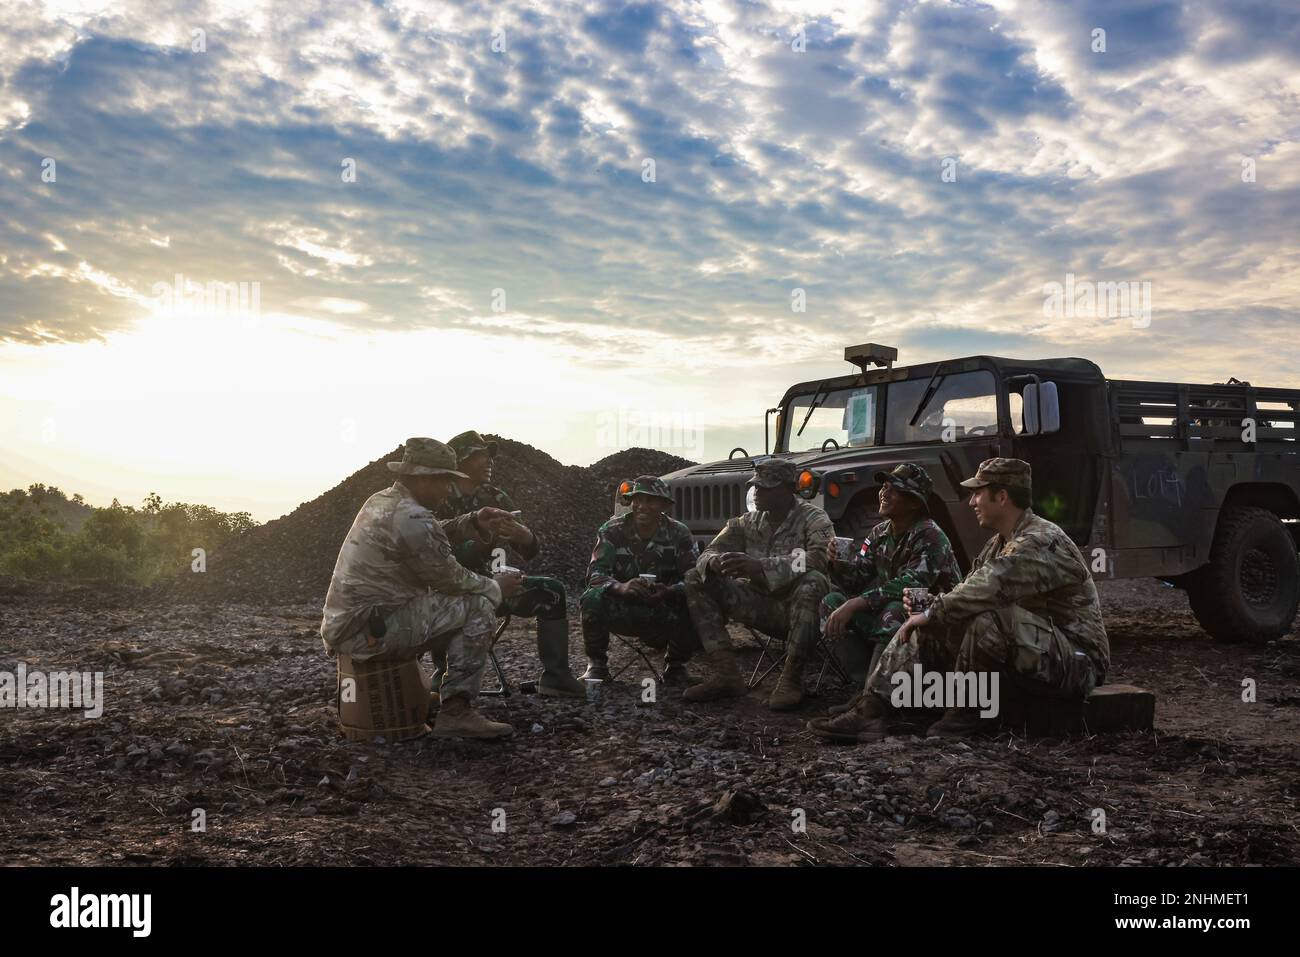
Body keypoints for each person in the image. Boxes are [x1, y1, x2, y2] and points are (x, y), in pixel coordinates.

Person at [808, 457, 1108, 741]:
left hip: (1077, 662)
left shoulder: (1039, 541)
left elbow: (988, 587)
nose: (972, 502)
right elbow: (968, 589)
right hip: (1033, 650)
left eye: (978, 494)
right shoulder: (998, 543)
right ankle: (871, 708)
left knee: (988, 620)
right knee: (932, 622)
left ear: (1002, 496)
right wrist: (930, 611)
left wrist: (933, 610)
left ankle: (968, 713)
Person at [320, 437, 522, 740]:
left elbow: (430, 531)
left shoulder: (382, 501)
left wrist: (472, 520)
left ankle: (420, 695)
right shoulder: (412, 517)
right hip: (368, 634)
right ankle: (456, 712)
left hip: (351, 626)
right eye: (445, 481)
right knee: (477, 606)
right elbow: (451, 579)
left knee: (454, 602)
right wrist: (496, 587)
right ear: (425, 479)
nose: (449, 490)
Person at [431, 430, 586, 698]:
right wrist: (481, 541)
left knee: (551, 591)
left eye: (489, 455)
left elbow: (529, 550)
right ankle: (443, 674)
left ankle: (556, 676)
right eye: (480, 456)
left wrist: (525, 537)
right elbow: (433, 549)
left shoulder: (496, 497)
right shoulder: (439, 497)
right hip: (456, 587)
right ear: (461, 461)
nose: (489, 461)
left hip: (499, 585)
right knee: (443, 597)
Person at [682, 458, 835, 710]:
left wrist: (761, 566)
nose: (757, 492)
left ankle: (791, 680)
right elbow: (707, 552)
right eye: (756, 486)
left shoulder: (814, 518)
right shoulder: (747, 522)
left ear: (788, 489)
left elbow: (819, 559)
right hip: (760, 605)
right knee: (695, 577)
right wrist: (715, 562)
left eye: (766, 487)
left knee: (814, 580)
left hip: (801, 610)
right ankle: (726, 674)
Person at [821, 463, 961, 700]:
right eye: (884, 487)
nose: (884, 493)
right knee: (832, 602)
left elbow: (912, 585)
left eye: (894, 489)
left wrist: (856, 603)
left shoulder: (930, 535)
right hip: (897, 615)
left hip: (935, 621)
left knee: (894, 610)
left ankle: (873, 699)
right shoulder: (879, 533)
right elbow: (856, 580)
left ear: (914, 502)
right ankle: (865, 686)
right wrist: (837, 562)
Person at [579, 475, 701, 685]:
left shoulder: (679, 533)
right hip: (623, 608)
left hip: (664, 609)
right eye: (637, 499)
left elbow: (693, 577)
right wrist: (621, 587)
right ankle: (597, 666)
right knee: (592, 597)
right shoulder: (611, 530)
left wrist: (669, 590)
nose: (642, 506)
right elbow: (595, 574)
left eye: (650, 500)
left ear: (664, 505)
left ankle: (676, 667)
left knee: (696, 596)